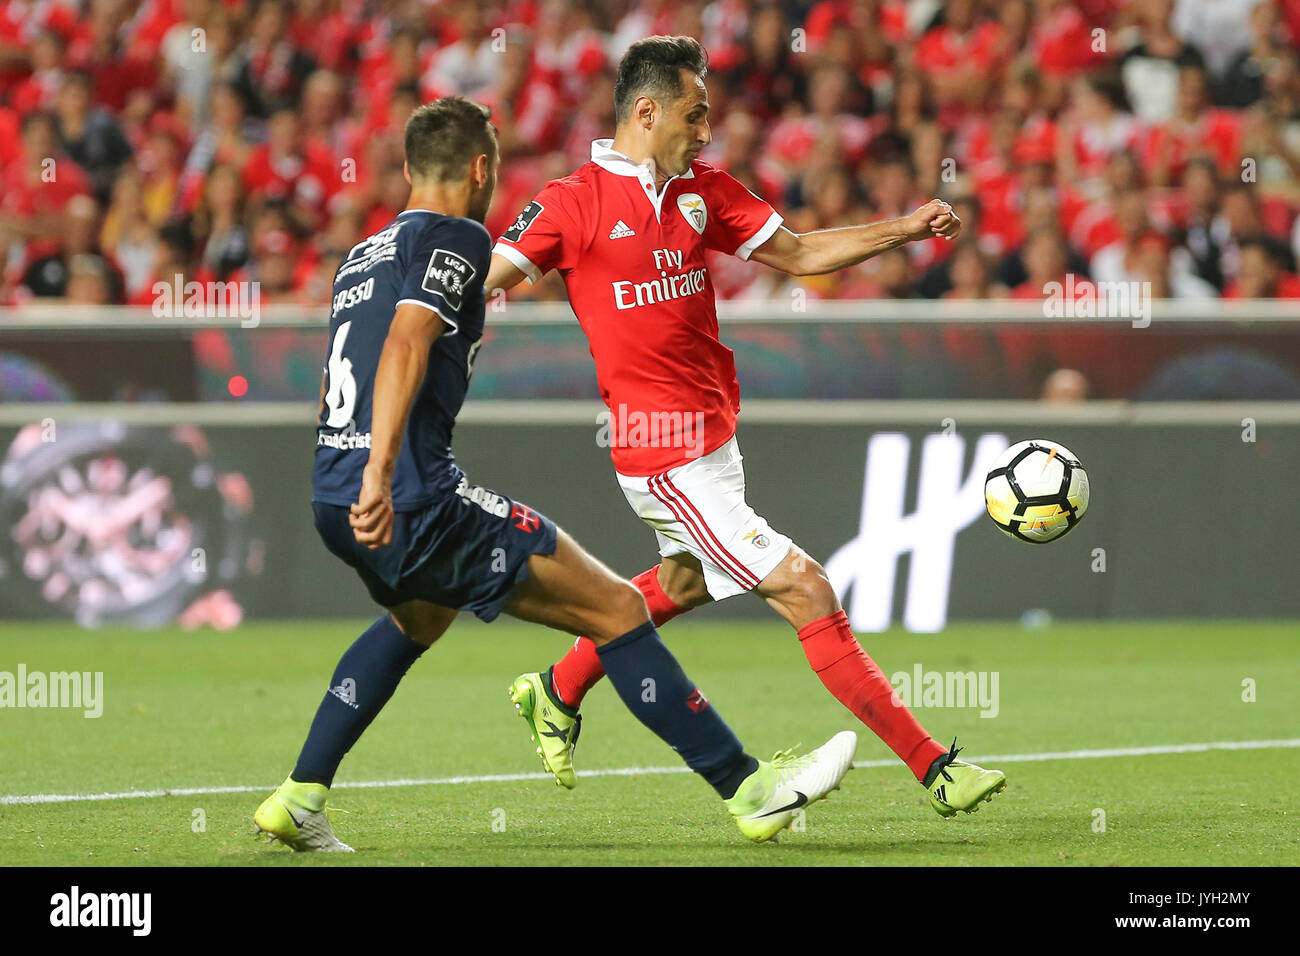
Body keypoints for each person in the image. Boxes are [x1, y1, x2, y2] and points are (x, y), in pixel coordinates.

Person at [253, 96, 857, 852]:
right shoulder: (458, 239)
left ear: (408, 170)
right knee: (617, 612)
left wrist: (351, 471)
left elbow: (345, 365)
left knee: (419, 616)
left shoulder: (363, 254)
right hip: (405, 492)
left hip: (330, 489)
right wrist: (382, 472)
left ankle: (300, 795)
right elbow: (407, 341)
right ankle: (748, 789)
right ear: (482, 170)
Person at [488, 36, 1005, 818]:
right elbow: (484, 279)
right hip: (660, 456)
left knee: (683, 583)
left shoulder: (702, 191)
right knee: (804, 585)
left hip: (714, 439)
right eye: (694, 118)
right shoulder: (571, 203)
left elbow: (798, 254)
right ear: (647, 111)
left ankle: (555, 689)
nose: (704, 133)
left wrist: (902, 229)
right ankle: (936, 767)